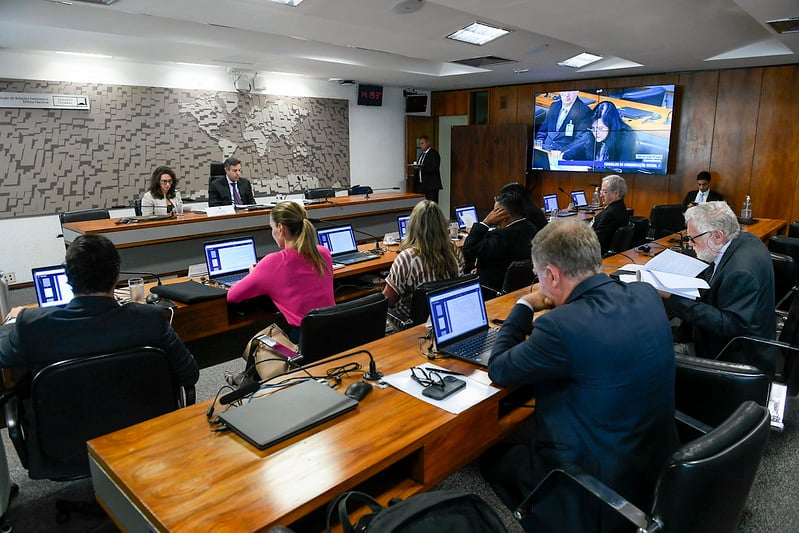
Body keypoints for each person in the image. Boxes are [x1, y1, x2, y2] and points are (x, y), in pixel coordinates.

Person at [481, 219, 677, 532]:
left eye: (539, 277)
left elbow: (499, 368)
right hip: (655, 466)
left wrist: (524, 304)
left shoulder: (559, 327)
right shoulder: (646, 294)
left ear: (552, 275)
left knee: (489, 457)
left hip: (594, 487)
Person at [0, 235, 198, 387]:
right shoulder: (151, 318)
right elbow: (189, 375)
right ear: (116, 276)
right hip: (145, 424)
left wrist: (11, 321)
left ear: (67, 277)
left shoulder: (32, 324)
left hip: (65, 427)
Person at [662, 201, 775, 357]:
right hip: (724, 338)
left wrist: (673, 298)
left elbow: (728, 325)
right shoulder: (745, 239)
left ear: (717, 236)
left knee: (653, 353)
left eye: (693, 239)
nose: (690, 244)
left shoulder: (740, 272)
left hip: (731, 354)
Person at [226, 201, 335, 343]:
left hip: (305, 339)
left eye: (271, 227)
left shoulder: (273, 262)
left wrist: (253, 274)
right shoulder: (323, 252)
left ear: (280, 228)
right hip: (334, 331)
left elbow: (232, 296)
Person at [382, 200, 464, 319]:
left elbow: (387, 302)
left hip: (410, 323)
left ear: (413, 225)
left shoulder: (407, 258)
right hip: (446, 316)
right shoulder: (454, 251)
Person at [462, 187, 538, 292]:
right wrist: (480, 269)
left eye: (495, 211)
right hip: (522, 286)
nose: (492, 214)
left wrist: (485, 223)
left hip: (492, 288)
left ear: (503, 215)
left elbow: (468, 250)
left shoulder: (501, 236)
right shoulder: (531, 228)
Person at [590, 174, 630, 254]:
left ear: (616, 193)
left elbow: (597, 239)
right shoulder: (621, 208)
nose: (601, 195)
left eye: (604, 192)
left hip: (594, 253)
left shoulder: (610, 214)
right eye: (601, 191)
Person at [412, 135, 442, 203]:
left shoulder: (434, 154)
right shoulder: (421, 155)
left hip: (431, 186)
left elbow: (434, 168)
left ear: (428, 143)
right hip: (420, 186)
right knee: (421, 205)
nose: (420, 146)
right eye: (419, 144)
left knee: (430, 206)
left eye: (422, 143)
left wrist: (421, 168)